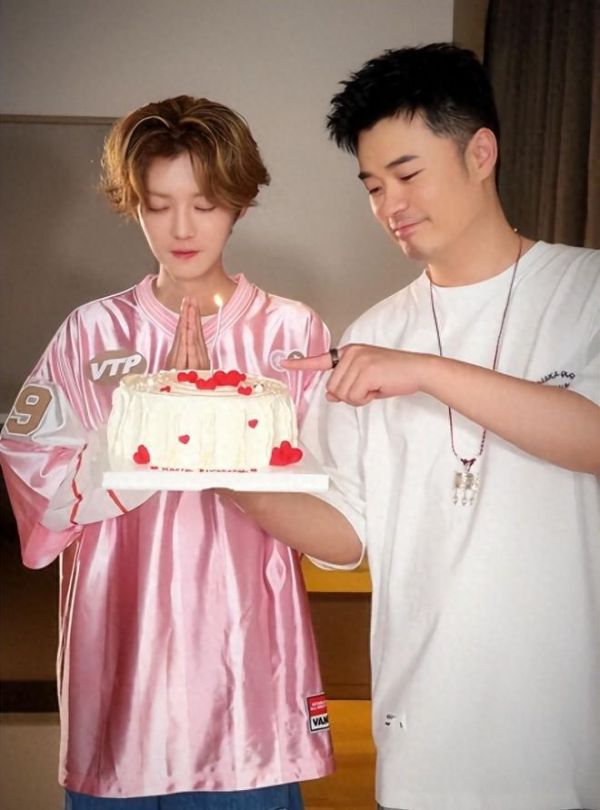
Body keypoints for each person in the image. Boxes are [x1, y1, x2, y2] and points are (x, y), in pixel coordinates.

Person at [223, 44, 600, 810]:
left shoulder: (584, 289)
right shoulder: (373, 332)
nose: (389, 204)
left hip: (566, 734)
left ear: (480, 153)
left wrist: (426, 372)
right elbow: (346, 534)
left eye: (407, 174)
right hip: (423, 735)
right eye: (372, 186)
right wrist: (229, 478)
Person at [0, 95, 334, 808]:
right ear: (135, 206)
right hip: (123, 677)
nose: (182, 228)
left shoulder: (292, 333)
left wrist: (215, 415)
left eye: (205, 204)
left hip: (248, 686)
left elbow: (328, 496)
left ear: (238, 203)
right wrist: (150, 420)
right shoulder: (90, 333)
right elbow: (30, 467)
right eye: (159, 206)